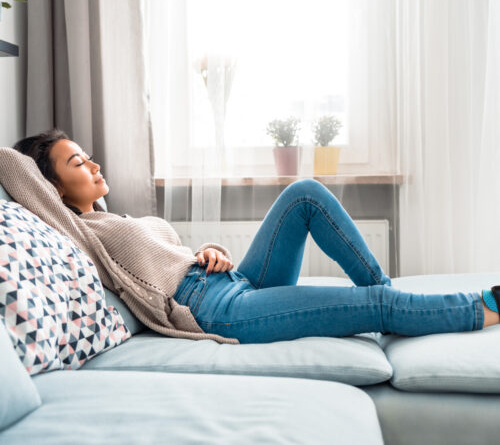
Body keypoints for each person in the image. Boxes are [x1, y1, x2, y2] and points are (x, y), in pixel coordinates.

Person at [9, 128, 500, 344]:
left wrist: (210, 251)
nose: (94, 164)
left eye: (88, 156)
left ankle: (390, 296)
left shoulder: (126, 222)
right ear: (49, 187)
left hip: (233, 282)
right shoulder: (80, 229)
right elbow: (13, 165)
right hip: (220, 312)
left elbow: (174, 258)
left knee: (304, 192)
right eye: (78, 163)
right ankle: (482, 305)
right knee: (369, 304)